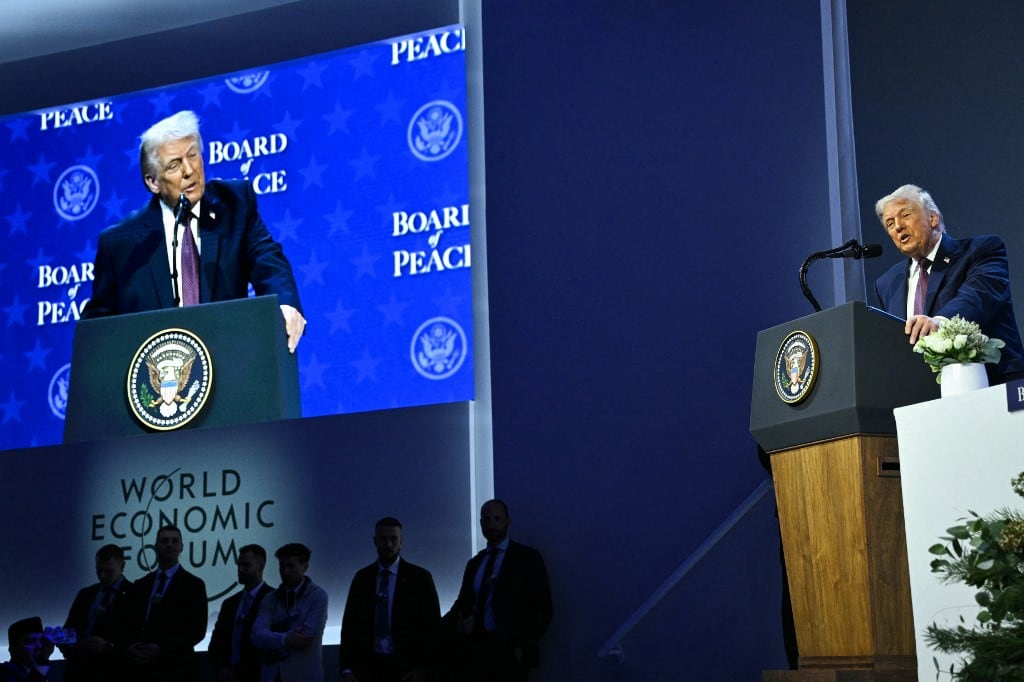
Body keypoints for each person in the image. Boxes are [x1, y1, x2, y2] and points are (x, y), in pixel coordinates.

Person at [82, 109, 307, 353]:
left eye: (193, 155)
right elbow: (97, 328)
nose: (189, 171)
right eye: (174, 165)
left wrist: (285, 304)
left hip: (230, 362)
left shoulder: (235, 205)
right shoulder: (121, 244)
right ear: (153, 182)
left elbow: (268, 260)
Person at [873, 183, 1024, 384]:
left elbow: (978, 296)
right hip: (922, 398)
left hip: (992, 384)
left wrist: (940, 321)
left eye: (905, 215)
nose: (898, 226)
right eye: (890, 223)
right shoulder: (886, 284)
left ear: (933, 218)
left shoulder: (981, 250)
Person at [442, 499, 553, 682]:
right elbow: (462, 603)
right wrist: (452, 627)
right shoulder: (475, 563)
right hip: (475, 649)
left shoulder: (527, 559)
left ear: (507, 521)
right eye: (487, 520)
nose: (492, 524)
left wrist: (522, 645)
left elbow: (543, 607)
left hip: (509, 650)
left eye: (497, 519)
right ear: (480, 523)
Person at [339, 517, 440, 682]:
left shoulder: (420, 578)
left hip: (406, 669)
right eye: (383, 539)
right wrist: (347, 669)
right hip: (367, 668)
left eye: (393, 539)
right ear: (375, 541)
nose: (388, 544)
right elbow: (349, 625)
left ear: (402, 542)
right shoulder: (362, 578)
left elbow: (432, 627)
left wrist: (424, 668)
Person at [120, 525, 208, 682]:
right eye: (164, 541)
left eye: (174, 541)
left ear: (181, 547)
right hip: (139, 669)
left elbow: (197, 630)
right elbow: (127, 623)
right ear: (155, 547)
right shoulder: (140, 585)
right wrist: (129, 648)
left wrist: (162, 649)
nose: (169, 545)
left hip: (176, 670)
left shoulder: (194, 585)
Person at [251, 543, 328, 682]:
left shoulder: (318, 596)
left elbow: (306, 639)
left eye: (290, 566)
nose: (285, 572)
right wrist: (286, 638)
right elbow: (256, 635)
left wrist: (271, 635)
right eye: (282, 566)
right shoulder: (270, 597)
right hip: (272, 675)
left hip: (304, 676)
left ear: (305, 567)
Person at [59, 544, 133, 681]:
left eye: (108, 571)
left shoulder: (135, 595)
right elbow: (69, 629)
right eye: (99, 571)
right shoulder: (85, 594)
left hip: (113, 671)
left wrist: (108, 647)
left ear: (122, 566)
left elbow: (134, 639)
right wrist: (61, 638)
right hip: (79, 670)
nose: (103, 576)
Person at [209, 544, 275, 682]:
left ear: (260, 566)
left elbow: (269, 646)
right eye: (239, 565)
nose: (240, 569)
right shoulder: (229, 604)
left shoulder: (274, 599)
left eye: (246, 565)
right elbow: (216, 642)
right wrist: (221, 669)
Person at [0, 617, 53, 682]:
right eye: (30, 642)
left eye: (41, 640)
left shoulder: (43, 670)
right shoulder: (4, 673)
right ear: (14, 649)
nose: (39, 646)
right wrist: (43, 660)